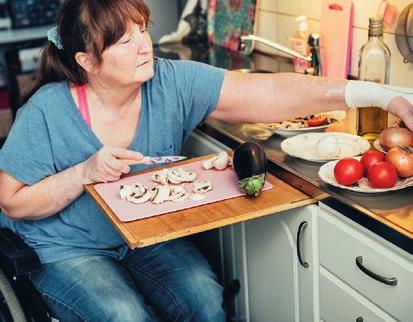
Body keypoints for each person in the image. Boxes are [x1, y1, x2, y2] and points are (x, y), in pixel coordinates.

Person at [0, 0, 412, 321]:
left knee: (204, 298)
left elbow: (268, 93)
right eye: (124, 41)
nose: (144, 45)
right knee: (123, 315)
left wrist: (381, 95)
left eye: (143, 30)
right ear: (87, 62)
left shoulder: (169, 80)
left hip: (140, 235)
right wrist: (84, 173)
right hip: (67, 247)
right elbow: (12, 201)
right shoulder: (48, 111)